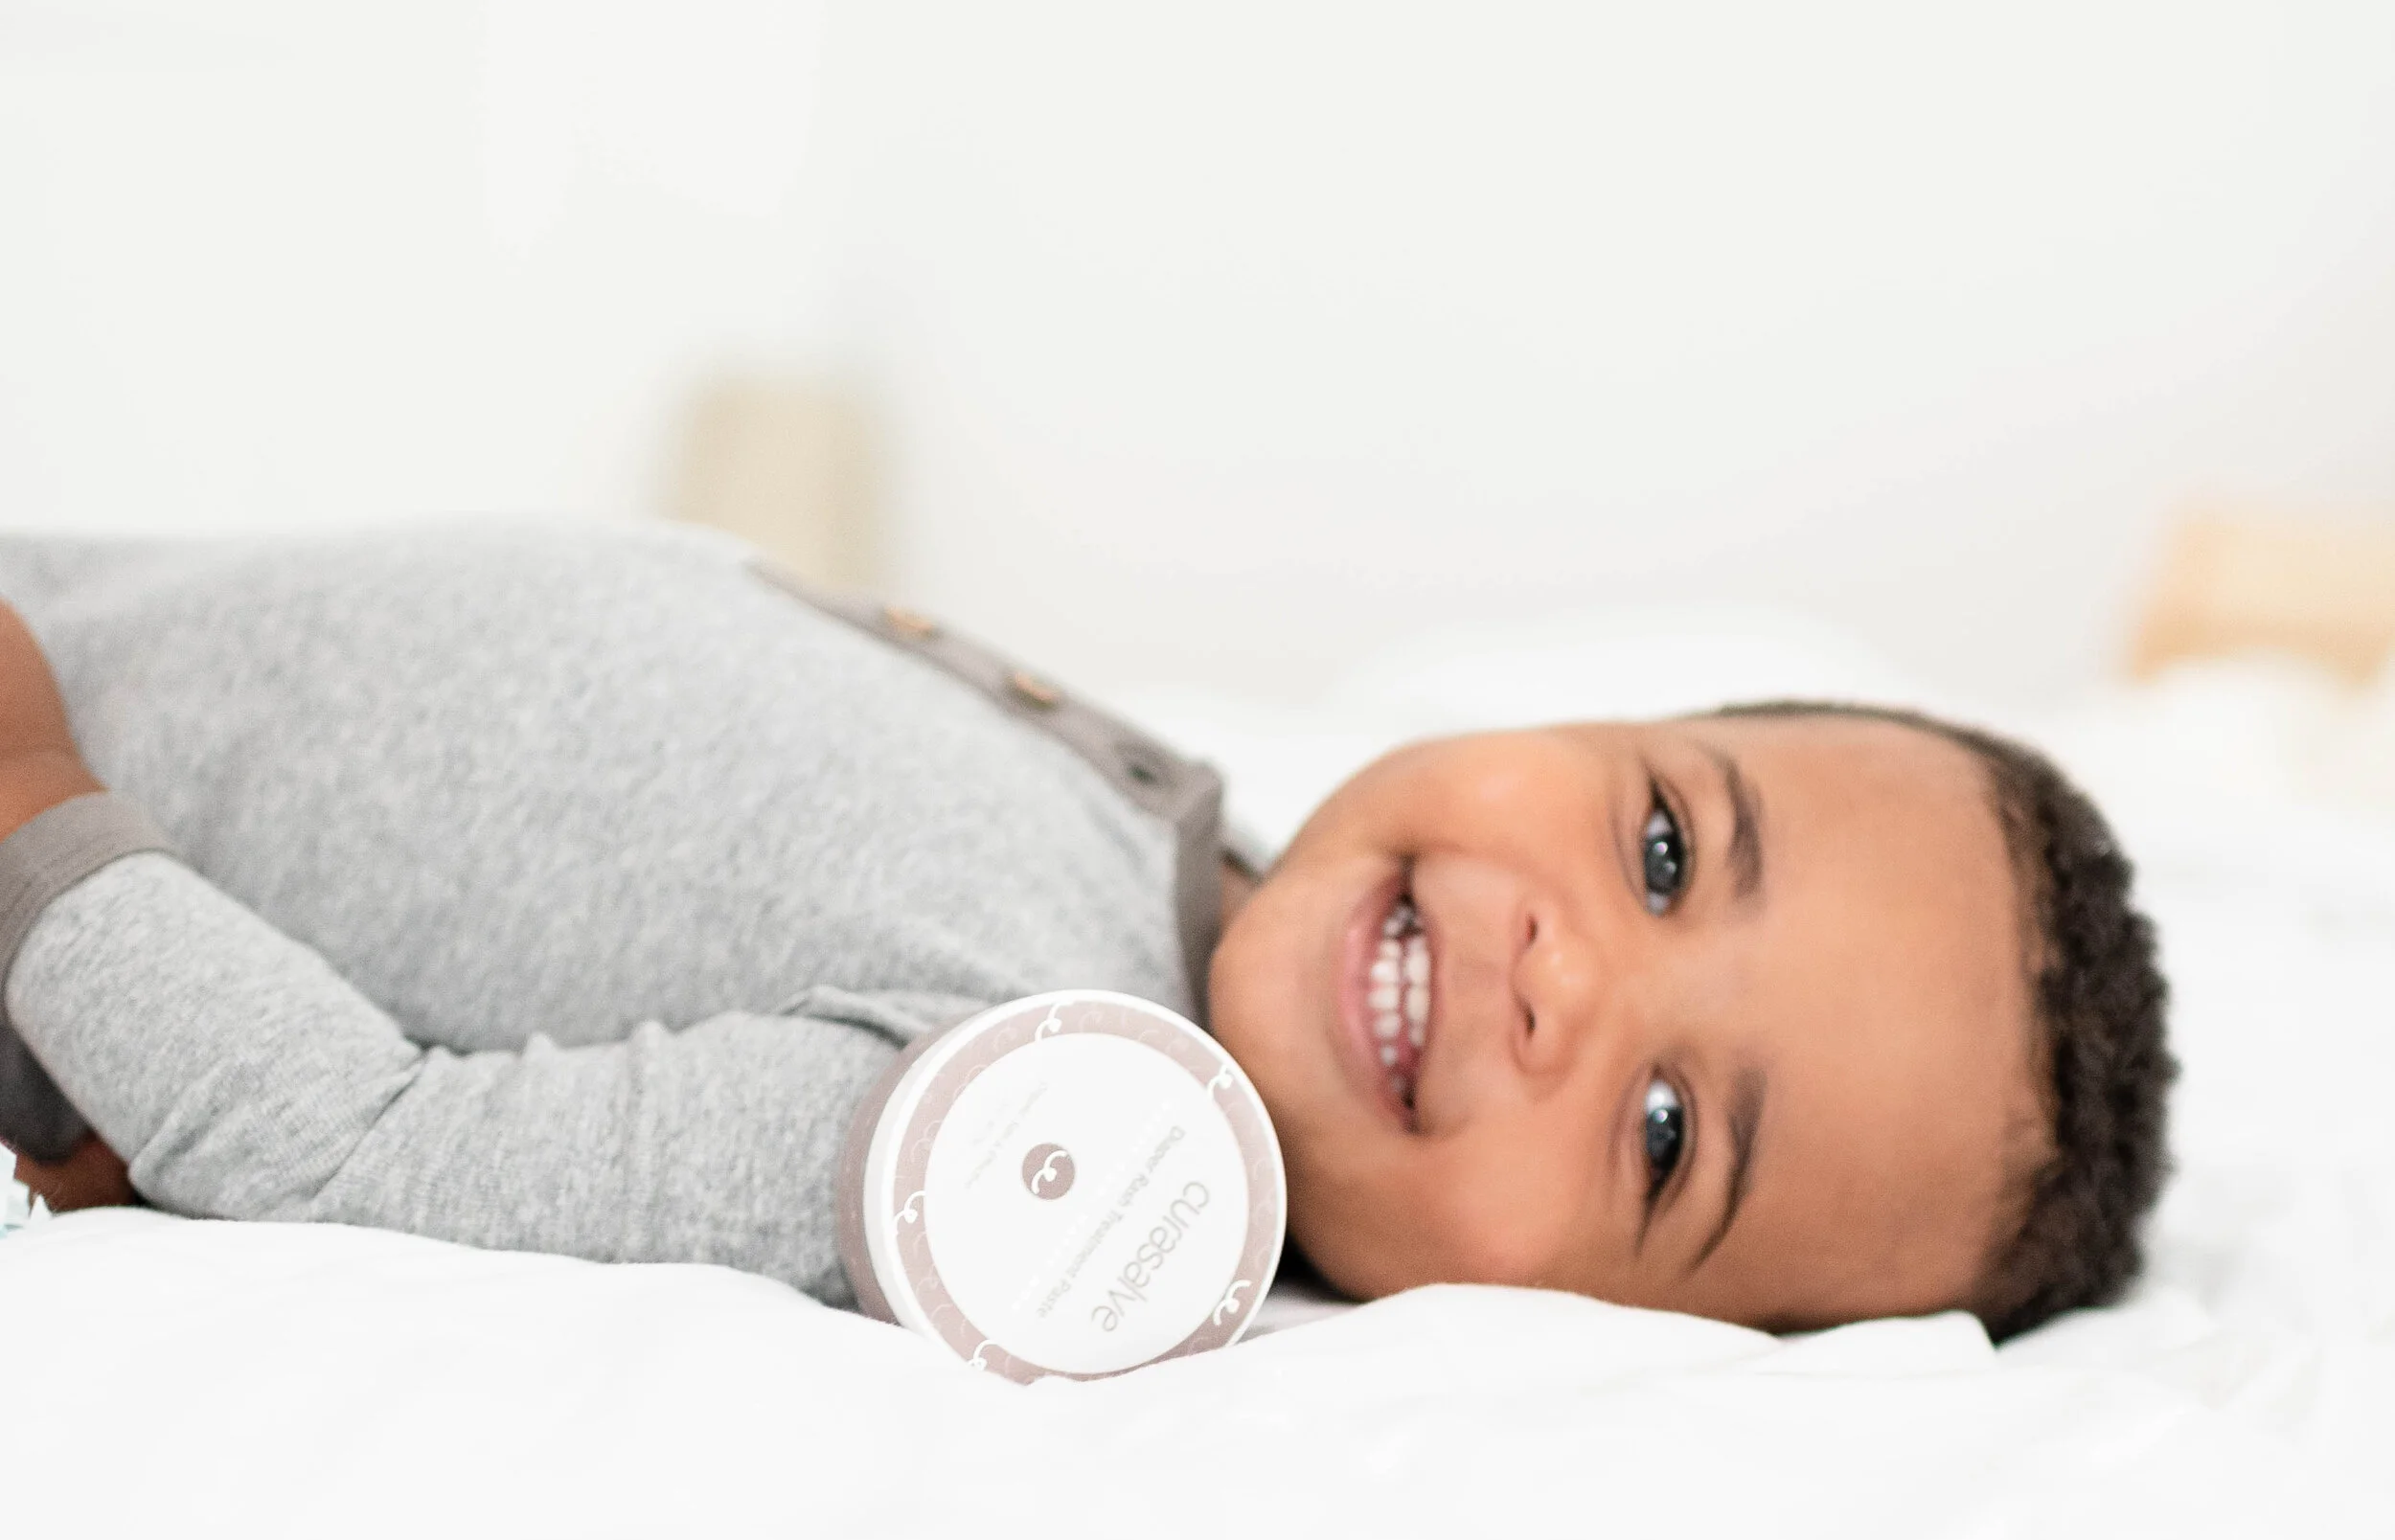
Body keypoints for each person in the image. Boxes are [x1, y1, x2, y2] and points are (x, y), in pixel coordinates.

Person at [0, 522, 2172, 1342]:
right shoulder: (1177, 841)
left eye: (1671, 1133)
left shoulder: (1005, 1138)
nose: (1567, 977)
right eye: (1671, 850)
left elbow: (371, 1158)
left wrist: (31, 803)